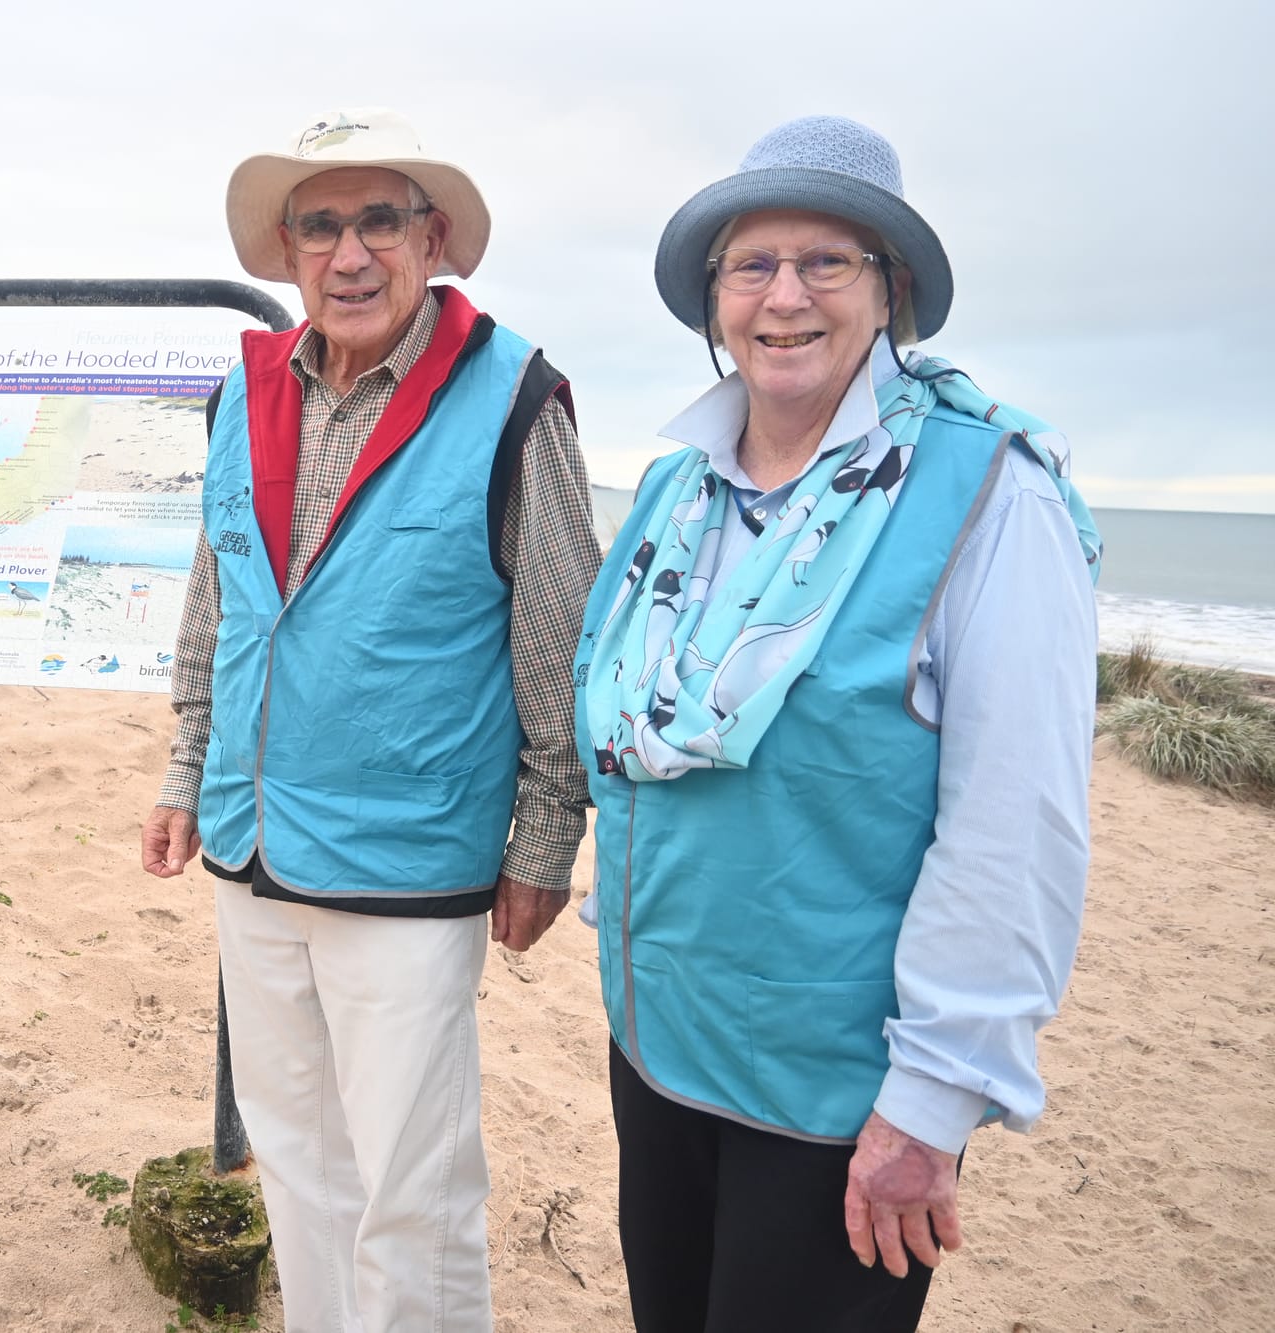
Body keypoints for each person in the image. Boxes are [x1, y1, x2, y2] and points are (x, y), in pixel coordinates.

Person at [573, 115, 1100, 1331]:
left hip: (836, 1093)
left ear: (891, 292)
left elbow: (1011, 826)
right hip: (657, 1043)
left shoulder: (987, 494)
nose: (784, 296)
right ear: (714, 298)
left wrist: (932, 1099)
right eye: (751, 265)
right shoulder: (674, 489)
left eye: (827, 262)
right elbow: (624, 730)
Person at [140, 108, 599, 1330]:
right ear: (287, 253)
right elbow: (219, 600)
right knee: (296, 1163)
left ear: (430, 238)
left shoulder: (513, 397)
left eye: (378, 222)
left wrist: (543, 839)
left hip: (409, 858)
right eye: (320, 227)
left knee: (414, 1189)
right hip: (251, 844)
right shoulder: (242, 392)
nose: (349, 255)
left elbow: (561, 637)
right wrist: (187, 772)